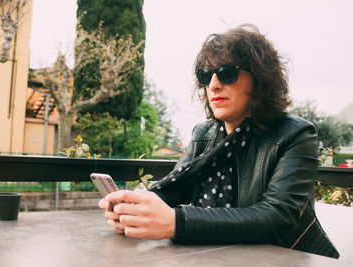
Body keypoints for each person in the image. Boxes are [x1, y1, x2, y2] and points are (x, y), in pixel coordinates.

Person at [98, 24, 339, 259]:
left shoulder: (295, 134)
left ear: (259, 79)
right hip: (217, 257)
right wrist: (134, 212)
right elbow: (174, 190)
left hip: (287, 257)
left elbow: (277, 217)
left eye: (227, 73)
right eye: (205, 75)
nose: (213, 84)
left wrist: (177, 222)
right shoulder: (203, 134)